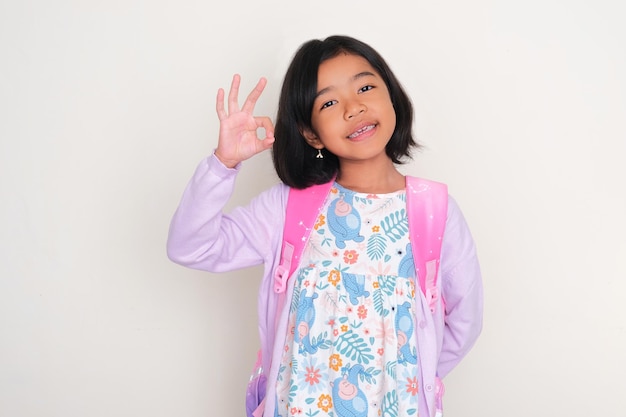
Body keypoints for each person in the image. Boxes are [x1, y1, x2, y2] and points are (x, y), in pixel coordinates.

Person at [167, 35, 483, 417]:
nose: (354, 107)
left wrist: (416, 375)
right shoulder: (289, 207)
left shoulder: (435, 211)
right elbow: (190, 246)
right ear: (311, 133)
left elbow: (465, 321)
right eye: (329, 102)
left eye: (366, 87)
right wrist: (223, 164)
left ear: (392, 98)